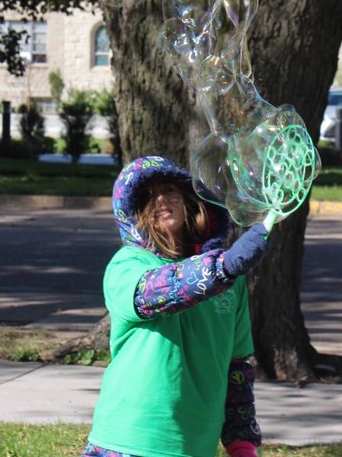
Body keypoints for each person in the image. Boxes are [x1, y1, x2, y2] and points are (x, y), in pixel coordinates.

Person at [84, 156, 269, 457]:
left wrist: (242, 442)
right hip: (129, 441)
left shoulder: (229, 282)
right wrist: (223, 267)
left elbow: (236, 371)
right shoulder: (128, 266)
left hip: (195, 445)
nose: (161, 200)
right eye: (147, 196)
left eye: (169, 190)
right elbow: (157, 292)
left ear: (188, 200)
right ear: (133, 214)